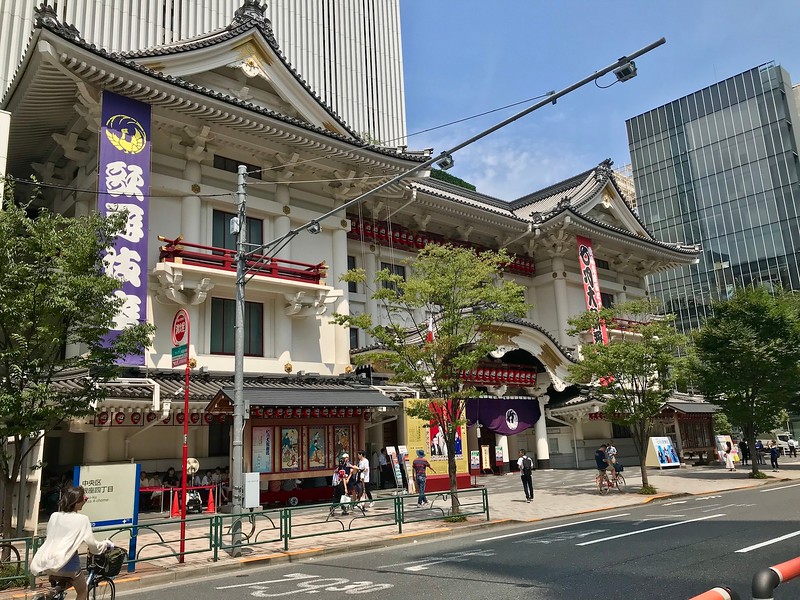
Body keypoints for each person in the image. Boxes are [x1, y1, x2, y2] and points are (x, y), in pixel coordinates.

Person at [30, 486, 113, 600]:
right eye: (84, 498)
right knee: (82, 590)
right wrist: (105, 544)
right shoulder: (82, 519)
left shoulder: (54, 516)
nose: (86, 500)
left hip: (47, 563)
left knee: (63, 582)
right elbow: (93, 546)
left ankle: (54, 592)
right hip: (68, 567)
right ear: (76, 501)